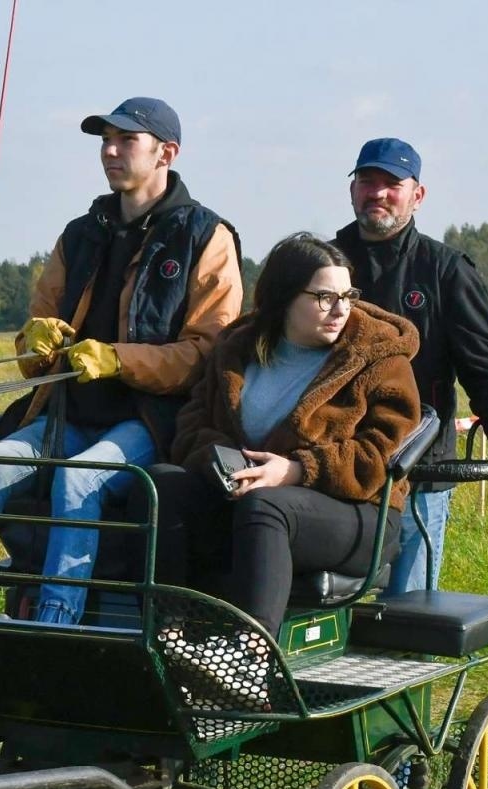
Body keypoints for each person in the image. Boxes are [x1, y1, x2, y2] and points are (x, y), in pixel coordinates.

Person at [0, 96, 243, 624]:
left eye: (125, 141)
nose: (110, 152)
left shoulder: (207, 237)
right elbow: (34, 343)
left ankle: (55, 618)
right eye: (104, 142)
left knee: (78, 478)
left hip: (152, 422)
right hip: (68, 414)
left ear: (167, 153)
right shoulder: (79, 234)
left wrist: (118, 360)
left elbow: (206, 354)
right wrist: (35, 341)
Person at [151, 233, 421, 640]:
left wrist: (296, 470)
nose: (341, 309)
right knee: (161, 482)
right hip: (244, 499)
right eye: (325, 297)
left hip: (359, 514)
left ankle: (252, 656)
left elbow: (380, 454)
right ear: (284, 296)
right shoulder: (237, 348)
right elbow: (192, 424)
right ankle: (168, 634)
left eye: (348, 295)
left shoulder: (379, 357)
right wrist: (223, 463)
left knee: (266, 507)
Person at [333, 137, 488, 593]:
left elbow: (485, 364)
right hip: (335, 464)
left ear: (417, 195)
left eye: (392, 184)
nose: (378, 193)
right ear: (352, 190)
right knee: (326, 606)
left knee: (410, 613)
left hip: (420, 468)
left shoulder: (445, 270)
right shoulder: (325, 266)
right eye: (368, 181)